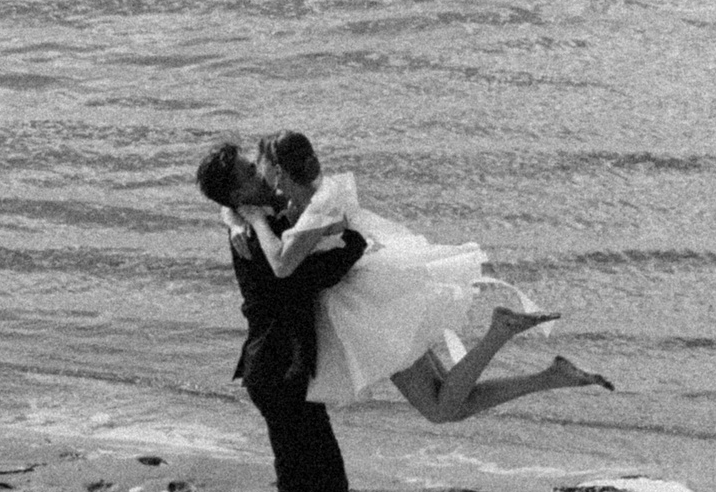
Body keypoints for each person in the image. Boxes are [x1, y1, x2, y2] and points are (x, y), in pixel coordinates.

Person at [246, 130, 610, 419]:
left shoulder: (316, 209)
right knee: (445, 403)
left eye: (262, 167)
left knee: (440, 408)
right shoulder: (320, 194)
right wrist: (235, 215)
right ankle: (550, 376)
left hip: (367, 312)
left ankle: (501, 335)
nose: (259, 175)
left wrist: (252, 220)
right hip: (372, 299)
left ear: (278, 170)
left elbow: (281, 264)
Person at [194, 140, 411, 492]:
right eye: (252, 170)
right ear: (237, 190)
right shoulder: (255, 233)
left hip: (279, 368)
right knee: (298, 486)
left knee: (324, 470)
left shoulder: (256, 222)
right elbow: (308, 276)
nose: (262, 172)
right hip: (278, 371)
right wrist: (353, 244)